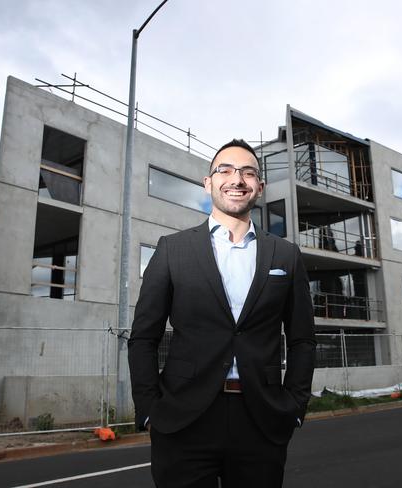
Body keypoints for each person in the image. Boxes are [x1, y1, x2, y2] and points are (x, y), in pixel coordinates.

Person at [128, 139, 316, 488]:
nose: (237, 179)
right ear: (208, 182)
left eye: (248, 172)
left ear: (260, 186)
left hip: (260, 418)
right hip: (184, 418)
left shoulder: (286, 256)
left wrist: (295, 406)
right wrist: (150, 408)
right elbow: (143, 337)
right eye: (225, 170)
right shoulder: (173, 249)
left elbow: (303, 340)